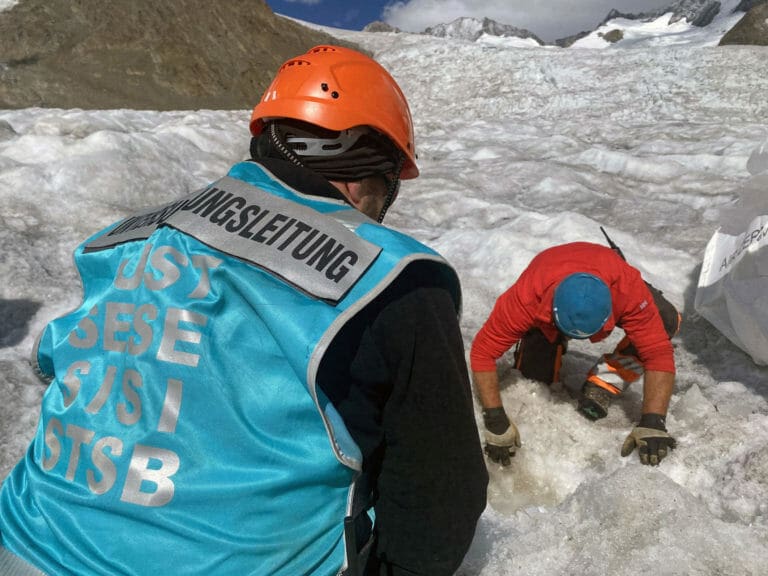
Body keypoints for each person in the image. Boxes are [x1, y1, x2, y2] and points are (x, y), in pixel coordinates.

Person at [0, 45, 487, 576]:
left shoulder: (124, 239)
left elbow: (55, 360)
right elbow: (442, 496)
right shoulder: (398, 281)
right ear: (368, 169)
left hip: (22, 537)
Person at [470, 240, 681, 468]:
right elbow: (483, 353)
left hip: (610, 271)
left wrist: (653, 420)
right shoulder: (526, 298)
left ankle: (607, 379)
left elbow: (658, 353)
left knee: (665, 320)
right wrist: (495, 418)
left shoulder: (627, 291)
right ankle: (546, 340)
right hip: (547, 280)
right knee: (535, 377)